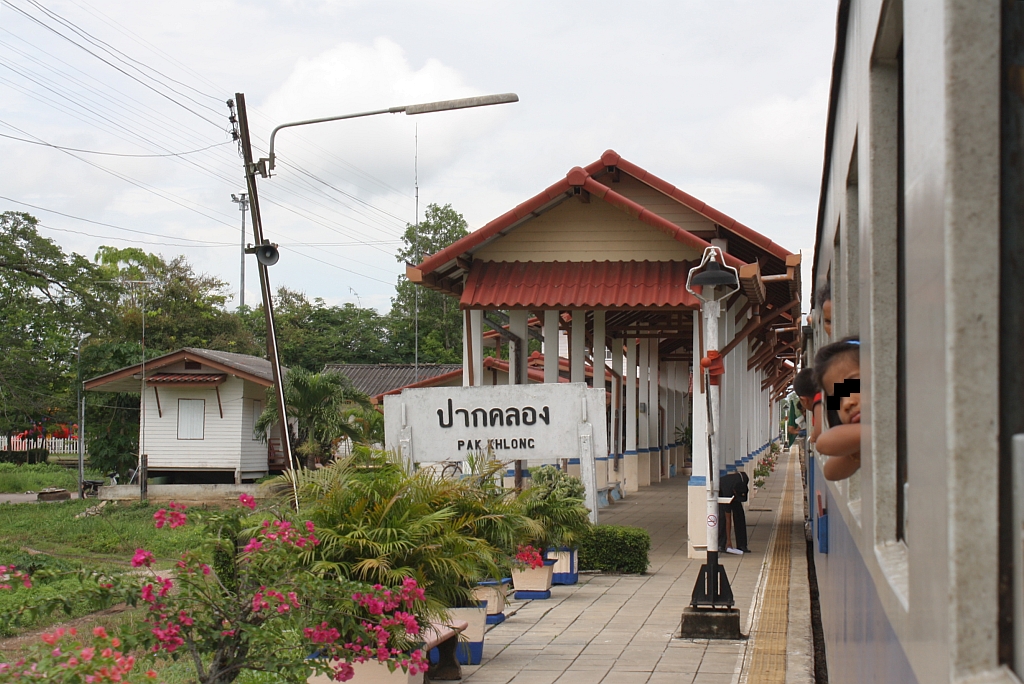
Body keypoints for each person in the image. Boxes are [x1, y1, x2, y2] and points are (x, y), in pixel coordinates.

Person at [814, 336, 861, 480]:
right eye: (837, 399)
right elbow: (830, 471)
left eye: (853, 385)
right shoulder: (860, 440)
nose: (847, 403)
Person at [718, 470, 750, 554]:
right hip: (722, 493)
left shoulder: (744, 479)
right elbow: (728, 518)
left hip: (734, 489)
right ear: (734, 492)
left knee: (740, 515)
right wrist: (729, 540)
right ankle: (722, 544)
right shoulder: (726, 490)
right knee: (723, 519)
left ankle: (742, 545)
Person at [793, 368, 823, 446]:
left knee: (822, 447)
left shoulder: (819, 401)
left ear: (804, 400)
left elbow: (819, 434)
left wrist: (814, 435)